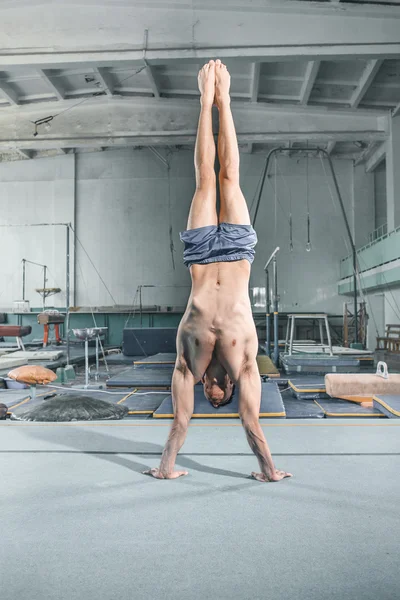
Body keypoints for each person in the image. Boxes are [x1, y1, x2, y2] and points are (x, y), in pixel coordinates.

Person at [144, 60, 292, 483]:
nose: (210, 395)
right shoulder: (245, 365)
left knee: (204, 179)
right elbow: (252, 423)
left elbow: (179, 423)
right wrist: (270, 470)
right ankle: (223, 100)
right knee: (230, 175)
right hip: (239, 254)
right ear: (226, 390)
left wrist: (165, 469)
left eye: (206, 397)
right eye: (216, 397)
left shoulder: (187, 365)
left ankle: (205, 99)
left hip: (202, 257)